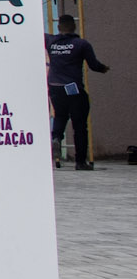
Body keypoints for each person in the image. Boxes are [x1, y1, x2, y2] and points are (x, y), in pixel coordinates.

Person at [47, 13, 109, 169]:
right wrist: (104, 69)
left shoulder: (50, 41)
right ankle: (80, 162)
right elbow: (94, 65)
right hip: (72, 88)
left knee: (60, 115)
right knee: (79, 124)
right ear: (74, 27)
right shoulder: (81, 44)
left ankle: (56, 138)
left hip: (54, 87)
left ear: (59, 26)